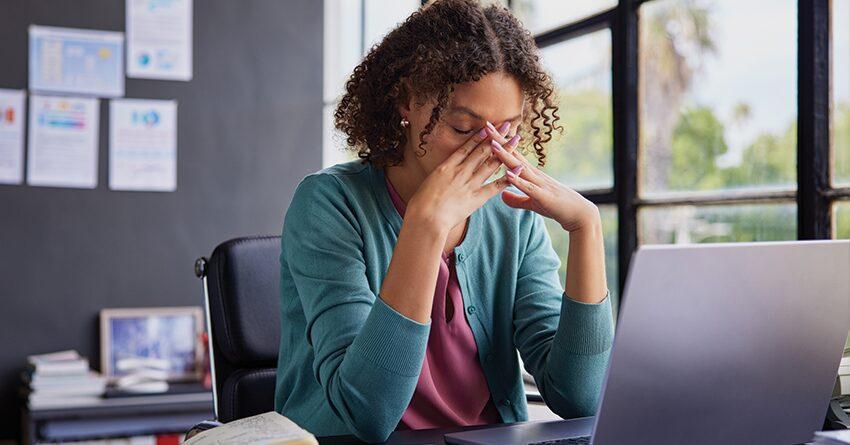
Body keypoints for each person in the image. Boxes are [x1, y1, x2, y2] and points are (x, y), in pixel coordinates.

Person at [274, 0, 614, 442]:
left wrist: (586, 228)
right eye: (461, 126)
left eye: (506, 129)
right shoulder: (328, 204)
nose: (488, 151)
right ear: (408, 103)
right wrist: (425, 227)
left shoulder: (511, 216)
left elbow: (581, 398)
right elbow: (367, 412)